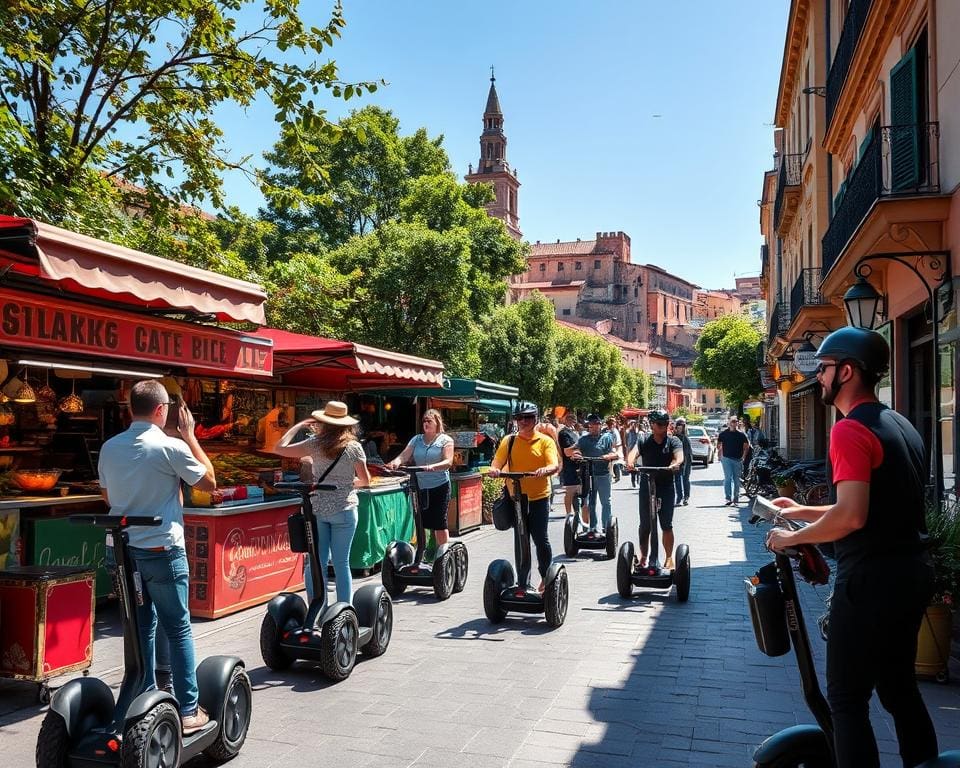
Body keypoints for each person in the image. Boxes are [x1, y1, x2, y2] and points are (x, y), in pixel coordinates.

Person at [765, 327, 937, 767]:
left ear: (845, 370)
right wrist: (801, 512)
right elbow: (874, 509)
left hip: (870, 581)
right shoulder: (898, 423)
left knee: (846, 698)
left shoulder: (848, 431)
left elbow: (852, 518)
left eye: (823, 368)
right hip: (910, 572)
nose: (818, 377)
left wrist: (789, 536)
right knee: (899, 691)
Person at [98, 380, 216, 734]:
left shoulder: (109, 447)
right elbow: (209, 481)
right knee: (178, 629)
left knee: (140, 629)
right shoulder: (172, 446)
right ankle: (189, 710)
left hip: (122, 551)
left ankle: (144, 695)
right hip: (161, 550)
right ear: (162, 411)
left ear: (130, 408)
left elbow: (108, 498)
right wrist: (191, 435)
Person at [272, 401, 370, 604]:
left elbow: (279, 448)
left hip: (319, 510)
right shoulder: (354, 447)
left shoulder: (314, 444)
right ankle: (344, 611)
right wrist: (347, 482)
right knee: (342, 564)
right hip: (345, 509)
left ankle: (317, 608)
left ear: (324, 422)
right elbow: (365, 480)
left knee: (316, 562)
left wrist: (298, 426)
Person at [487, 403, 559, 593]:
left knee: (540, 539)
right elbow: (498, 461)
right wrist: (495, 469)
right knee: (520, 538)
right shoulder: (509, 441)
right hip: (516, 497)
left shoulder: (545, 441)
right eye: (520, 418)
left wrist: (546, 470)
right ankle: (522, 582)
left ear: (536, 419)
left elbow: (553, 464)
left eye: (528, 417)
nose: (524, 421)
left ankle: (546, 577)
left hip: (539, 497)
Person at [386, 408, 454, 550]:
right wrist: (395, 463)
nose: (426, 424)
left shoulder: (445, 440)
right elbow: (404, 455)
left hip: (439, 486)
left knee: (439, 521)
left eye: (429, 421)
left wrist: (433, 467)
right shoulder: (416, 439)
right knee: (420, 520)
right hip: (421, 486)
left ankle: (442, 553)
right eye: (424, 421)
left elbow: (448, 461)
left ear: (437, 422)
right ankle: (422, 552)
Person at [626, 409, 683, 569]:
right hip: (647, 484)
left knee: (666, 524)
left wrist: (675, 463)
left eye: (666, 424)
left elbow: (679, 456)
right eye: (660, 424)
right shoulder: (643, 439)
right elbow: (634, 453)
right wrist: (630, 462)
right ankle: (644, 557)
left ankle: (669, 558)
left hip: (665, 485)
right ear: (652, 425)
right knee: (645, 525)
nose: (664, 427)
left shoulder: (673, 441)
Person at [574, 414, 619, 537]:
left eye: (595, 424)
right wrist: (576, 454)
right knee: (590, 502)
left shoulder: (607, 438)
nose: (592, 426)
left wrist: (609, 456)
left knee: (606, 501)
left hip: (603, 474)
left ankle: (606, 527)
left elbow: (615, 453)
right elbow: (576, 450)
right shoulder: (583, 439)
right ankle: (592, 528)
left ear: (600, 425)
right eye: (590, 424)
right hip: (588, 474)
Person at [557, 412, 584, 525]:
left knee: (578, 489)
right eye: (571, 419)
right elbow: (567, 450)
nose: (573, 421)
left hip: (578, 464)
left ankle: (577, 512)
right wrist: (579, 450)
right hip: (569, 465)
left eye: (574, 419)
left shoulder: (574, 432)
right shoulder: (564, 433)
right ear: (566, 420)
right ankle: (569, 513)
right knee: (570, 491)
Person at [716, 415, 749, 505]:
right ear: (728, 423)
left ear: (737, 423)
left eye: (735, 421)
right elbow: (718, 445)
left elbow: (746, 447)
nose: (734, 423)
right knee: (727, 478)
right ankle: (728, 498)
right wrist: (720, 454)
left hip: (738, 459)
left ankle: (736, 498)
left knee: (736, 479)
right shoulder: (723, 434)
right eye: (732, 421)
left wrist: (743, 457)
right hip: (726, 459)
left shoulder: (741, 434)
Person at [672, 417, 693, 506]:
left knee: (685, 479)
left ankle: (686, 497)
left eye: (681, 428)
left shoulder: (685, 438)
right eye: (678, 427)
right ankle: (679, 497)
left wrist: (685, 463)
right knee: (677, 480)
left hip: (686, 462)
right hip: (677, 461)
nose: (679, 429)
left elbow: (688, 453)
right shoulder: (673, 438)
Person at [604, 416, 624, 482]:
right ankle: (611, 476)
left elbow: (617, 442)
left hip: (614, 448)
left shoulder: (615, 431)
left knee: (615, 463)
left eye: (612, 424)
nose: (611, 425)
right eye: (609, 424)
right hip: (607, 449)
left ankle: (616, 476)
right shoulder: (606, 430)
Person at [624, 420, 641, 487]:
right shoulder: (628, 432)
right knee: (632, 467)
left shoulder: (638, 432)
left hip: (637, 451)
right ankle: (633, 481)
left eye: (634, 423)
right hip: (630, 450)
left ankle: (638, 480)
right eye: (632, 423)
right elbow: (626, 441)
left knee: (638, 466)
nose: (633, 425)